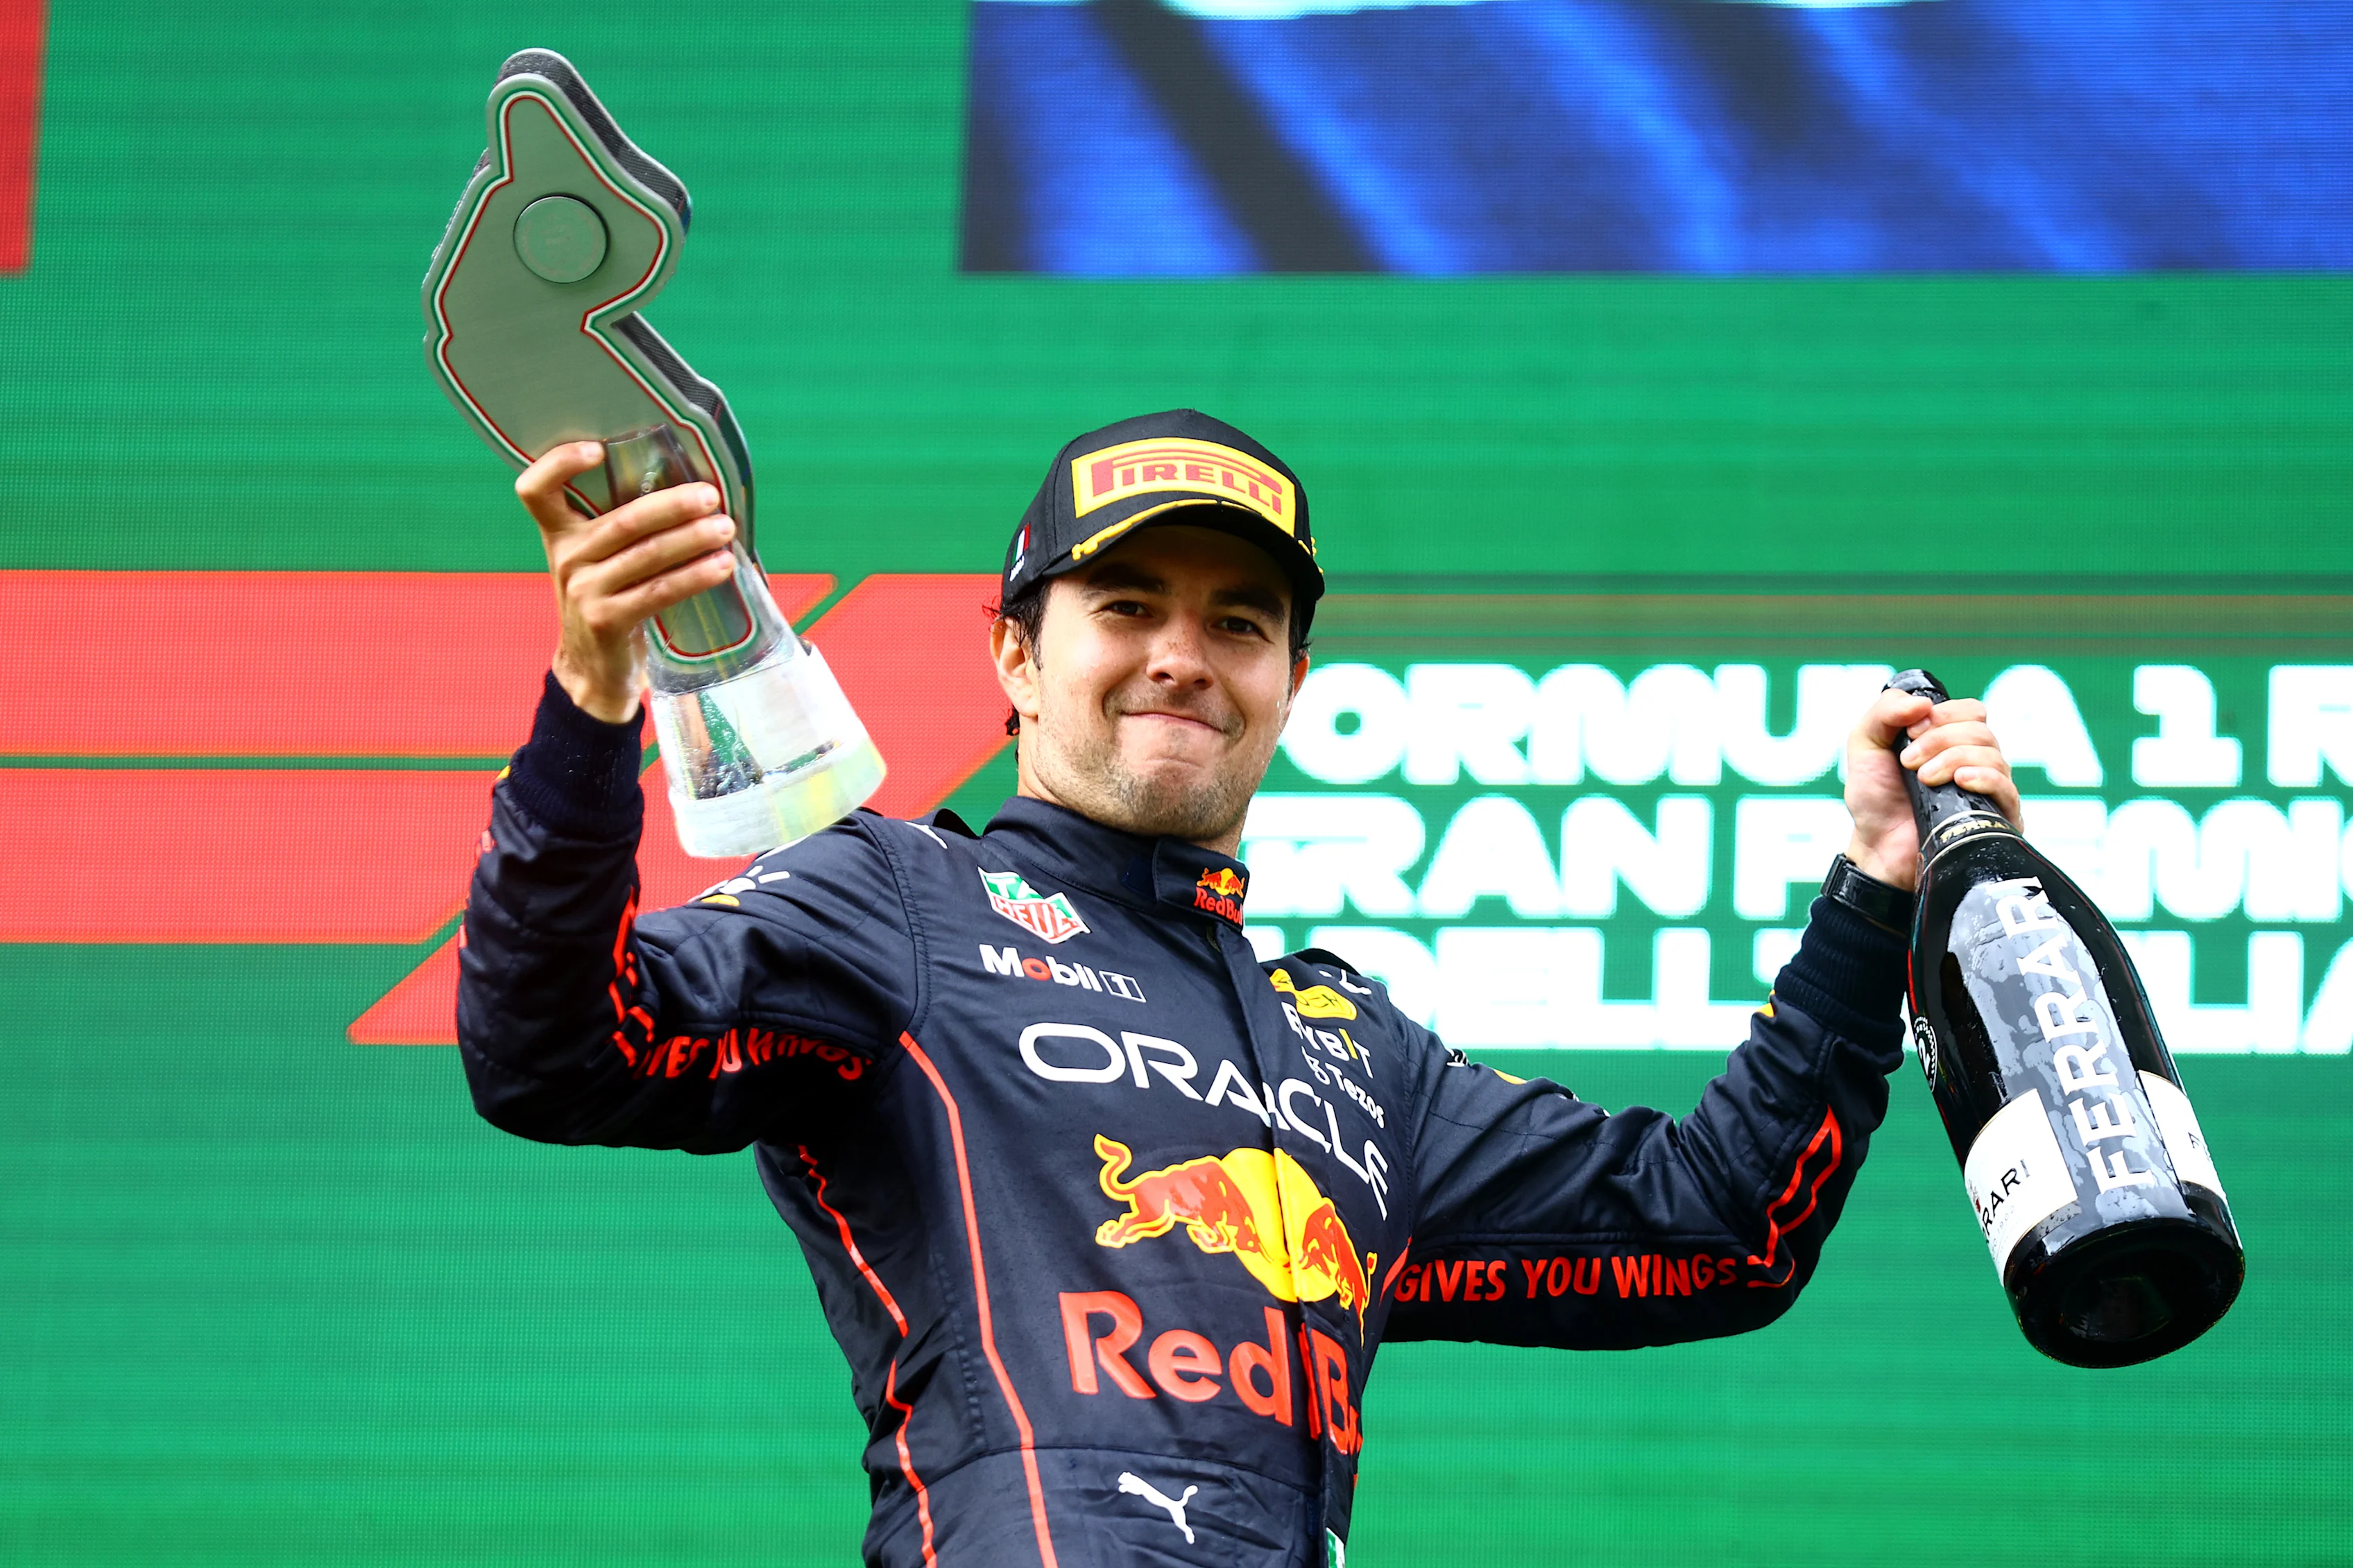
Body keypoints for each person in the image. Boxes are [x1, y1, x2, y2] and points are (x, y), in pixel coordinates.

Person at [459, 409, 2020, 1567]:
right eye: (1126, 606)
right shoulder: (898, 901)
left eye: (1238, 622)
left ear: (1290, 683)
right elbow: (557, 1047)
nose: (1182, 655)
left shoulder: (1354, 1050)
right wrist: (594, 695)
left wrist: (1876, 886)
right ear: (1015, 659)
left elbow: (1721, 1230)